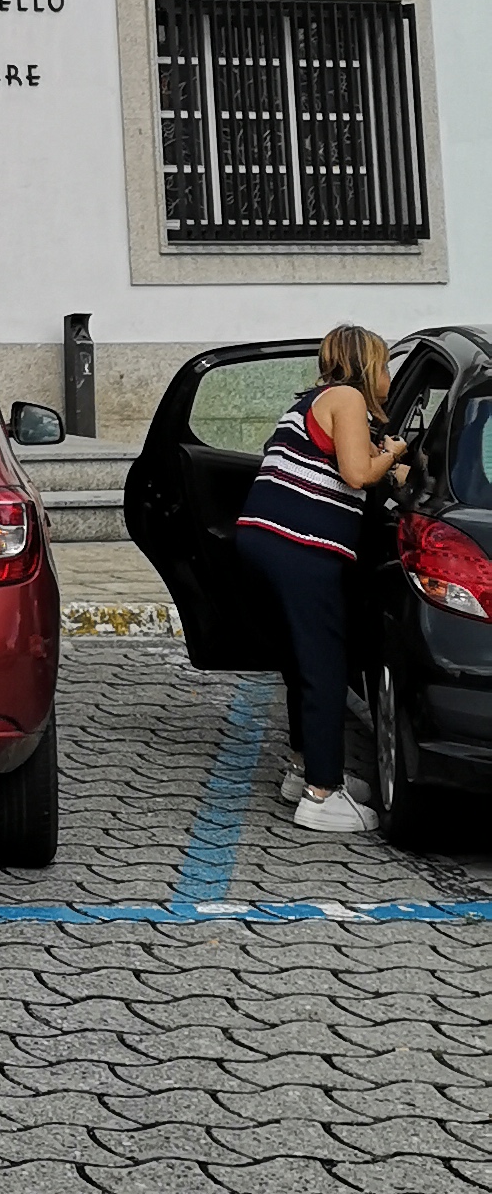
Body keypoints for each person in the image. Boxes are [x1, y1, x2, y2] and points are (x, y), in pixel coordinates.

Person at [235, 324, 405, 834]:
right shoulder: (348, 398)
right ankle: (322, 794)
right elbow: (356, 474)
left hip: (264, 541)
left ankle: (305, 767)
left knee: (301, 662)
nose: (389, 377)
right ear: (365, 366)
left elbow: (349, 465)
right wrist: (395, 453)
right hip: (300, 547)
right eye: (385, 365)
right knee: (325, 666)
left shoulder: (313, 400)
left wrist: (385, 464)